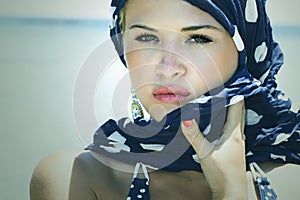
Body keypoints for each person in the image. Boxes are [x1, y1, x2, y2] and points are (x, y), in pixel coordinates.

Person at [30, 0, 300, 199]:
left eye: (198, 38)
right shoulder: (75, 179)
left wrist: (231, 189)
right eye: (147, 37)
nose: (168, 67)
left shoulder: (293, 179)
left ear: (247, 50)